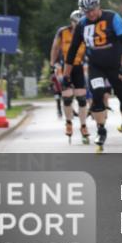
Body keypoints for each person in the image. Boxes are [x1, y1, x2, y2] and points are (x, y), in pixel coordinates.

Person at [64, 0, 122, 152]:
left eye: (93, 9)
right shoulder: (81, 25)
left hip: (116, 65)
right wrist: (66, 75)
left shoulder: (112, 17)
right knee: (98, 93)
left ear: (99, 5)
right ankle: (101, 129)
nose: (91, 14)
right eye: (87, 12)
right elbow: (72, 52)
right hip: (96, 66)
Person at [50, 10, 92, 144]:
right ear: (71, 21)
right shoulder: (62, 32)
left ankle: (83, 125)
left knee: (81, 98)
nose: (78, 25)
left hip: (79, 66)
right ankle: (68, 122)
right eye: (76, 22)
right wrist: (53, 64)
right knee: (67, 97)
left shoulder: (86, 33)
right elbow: (55, 48)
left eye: (80, 22)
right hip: (64, 66)